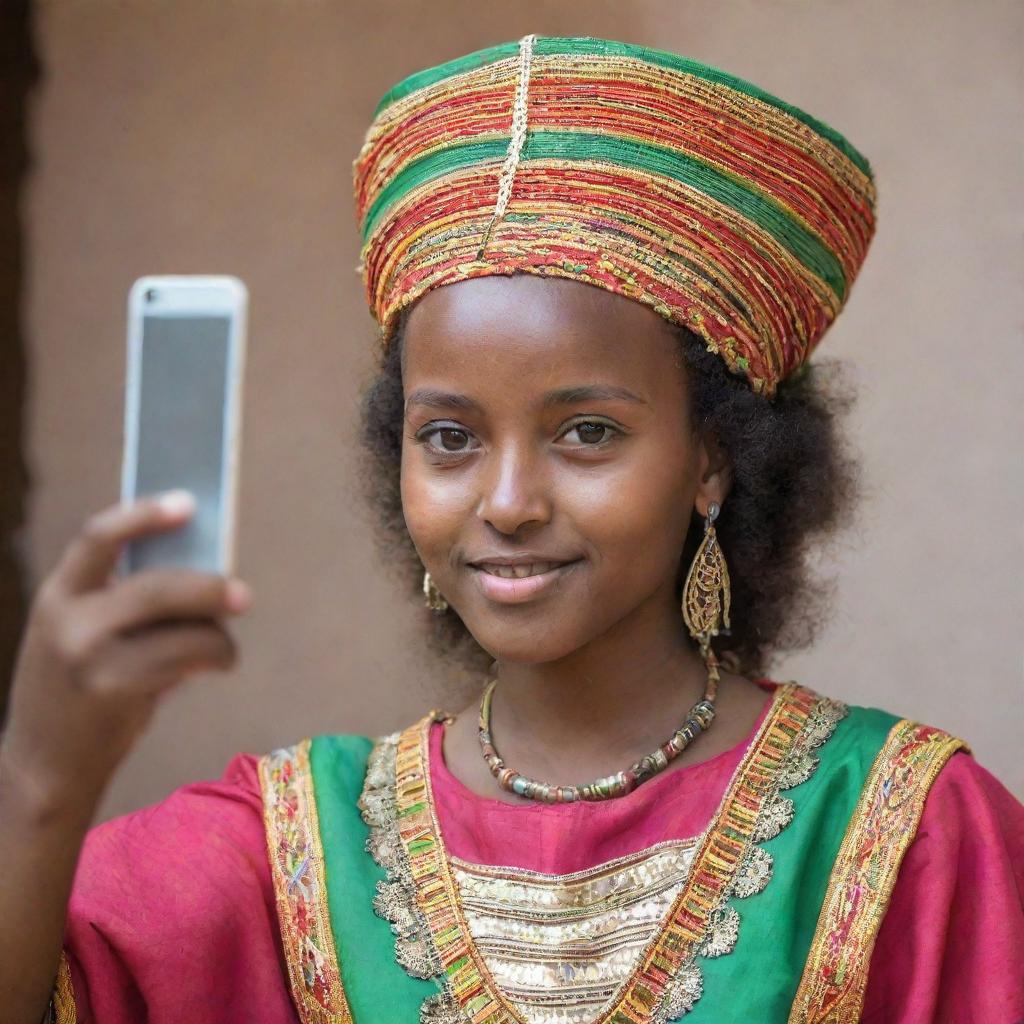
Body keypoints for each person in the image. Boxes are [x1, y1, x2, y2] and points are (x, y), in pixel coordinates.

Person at [1, 34, 1021, 1024]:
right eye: (449, 438)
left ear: (712, 457)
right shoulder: (285, 848)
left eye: (586, 432)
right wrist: (43, 782)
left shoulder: (911, 832)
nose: (506, 501)